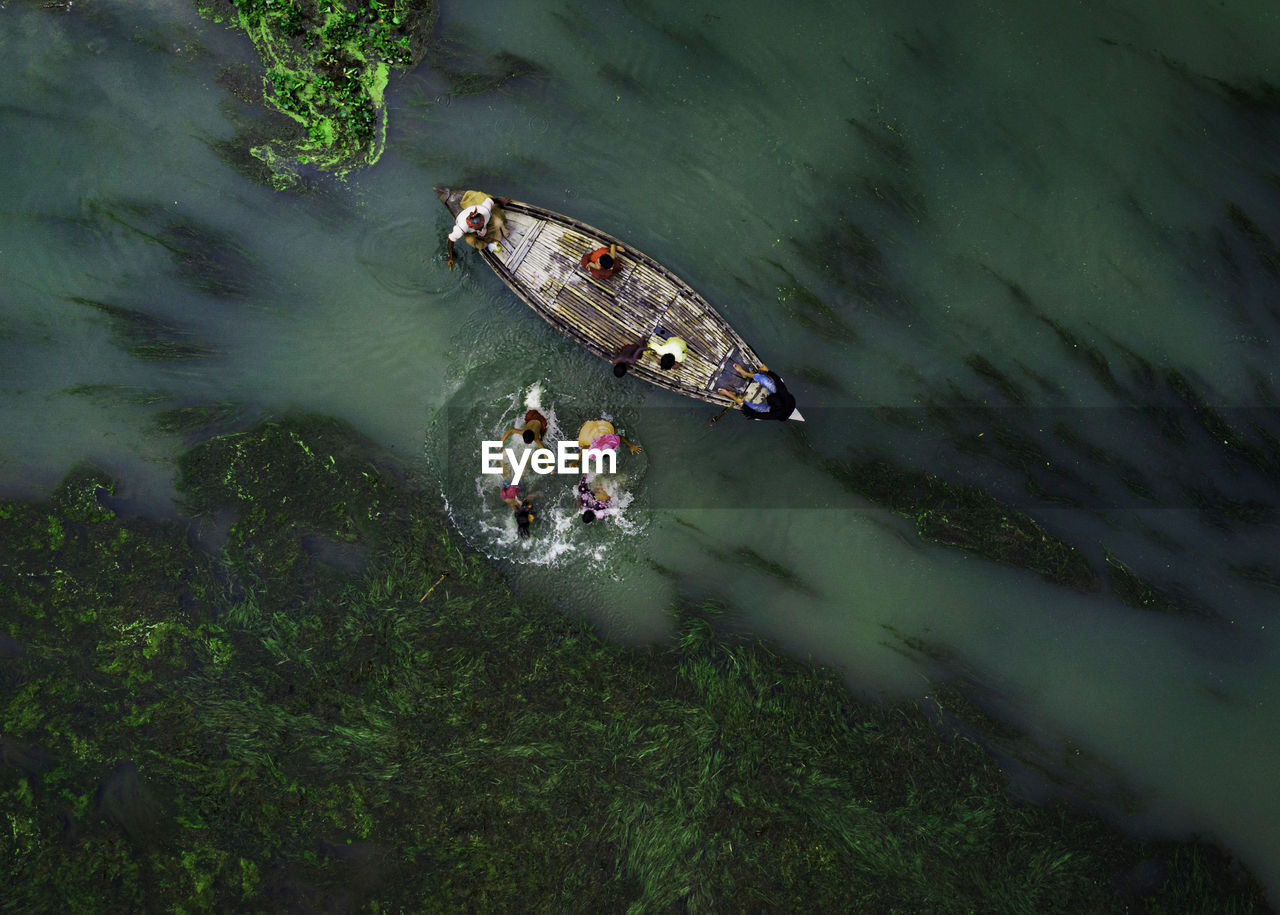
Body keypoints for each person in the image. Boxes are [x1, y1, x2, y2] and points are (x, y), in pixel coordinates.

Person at [447, 190, 512, 271]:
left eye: (481, 226)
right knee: (470, 240)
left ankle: (501, 231)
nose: (481, 229)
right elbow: (451, 240)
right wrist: (451, 257)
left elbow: (490, 200)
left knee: (498, 221)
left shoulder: (484, 210)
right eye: (478, 228)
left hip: (485, 223)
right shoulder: (461, 228)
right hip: (470, 230)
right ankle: (486, 244)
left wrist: (500, 201)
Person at [717, 362, 797, 422]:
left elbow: (755, 414)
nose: (765, 397)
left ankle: (733, 396)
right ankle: (744, 373)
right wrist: (768, 371)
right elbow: (778, 380)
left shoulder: (775, 414)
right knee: (763, 379)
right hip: (787, 400)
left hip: (779, 412)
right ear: (777, 394)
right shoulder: (783, 393)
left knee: (753, 408)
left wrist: (742, 404)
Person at [577, 419, 642, 456]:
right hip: (589, 433)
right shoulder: (592, 444)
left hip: (599, 431)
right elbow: (584, 448)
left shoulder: (609, 439)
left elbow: (621, 437)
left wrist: (631, 446)